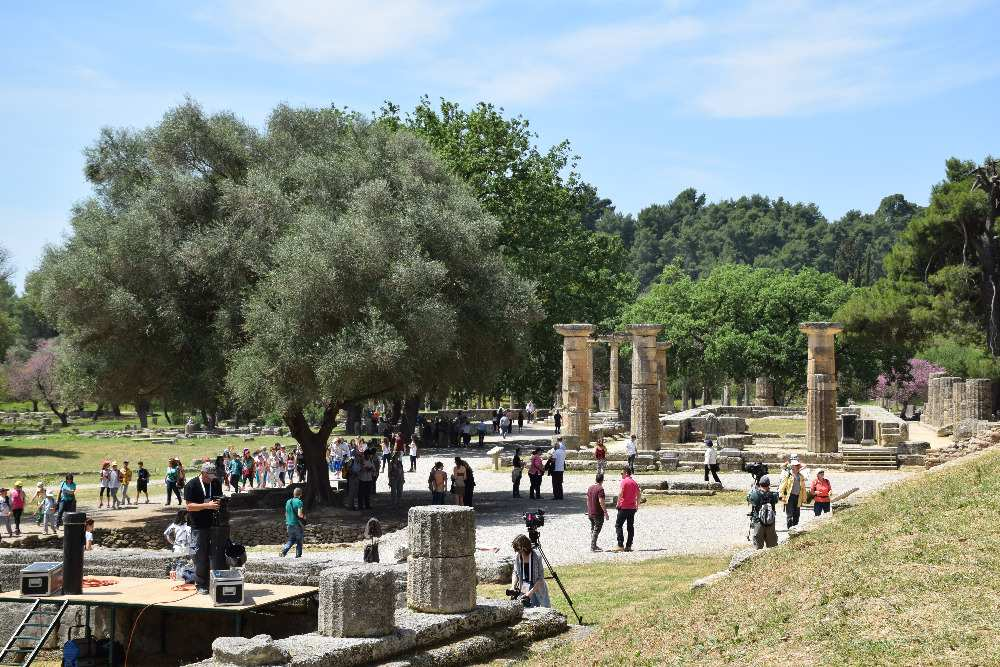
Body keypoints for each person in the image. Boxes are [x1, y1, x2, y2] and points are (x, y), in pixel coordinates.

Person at [183, 462, 224, 594]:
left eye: (213, 475)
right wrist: (207, 506)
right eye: (210, 475)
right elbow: (189, 507)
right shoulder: (192, 485)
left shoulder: (216, 483)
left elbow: (218, 498)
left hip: (215, 525)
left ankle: (215, 581)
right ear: (203, 473)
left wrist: (220, 503)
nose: (212, 478)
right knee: (200, 556)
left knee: (217, 554)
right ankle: (201, 584)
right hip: (198, 526)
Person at [510, 534, 551, 608]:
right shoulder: (518, 556)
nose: (517, 552)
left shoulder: (536, 556)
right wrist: (513, 587)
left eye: (519, 549)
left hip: (538, 587)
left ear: (525, 547)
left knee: (545, 609)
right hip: (525, 586)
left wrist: (530, 593)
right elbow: (515, 573)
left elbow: (540, 578)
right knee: (526, 609)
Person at [612, 468, 641, 552]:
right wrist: (637, 505)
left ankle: (620, 544)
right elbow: (639, 494)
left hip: (624, 507)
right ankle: (629, 545)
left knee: (618, 525)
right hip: (632, 508)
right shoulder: (634, 482)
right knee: (630, 527)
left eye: (622, 473)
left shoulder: (624, 481)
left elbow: (620, 493)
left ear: (626, 473)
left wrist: (618, 503)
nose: (621, 475)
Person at [747, 475, 779, 549]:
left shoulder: (755, 494)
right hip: (770, 522)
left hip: (758, 522)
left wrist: (753, 489)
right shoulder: (773, 495)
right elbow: (777, 499)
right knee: (772, 547)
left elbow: (748, 498)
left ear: (760, 484)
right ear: (769, 485)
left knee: (758, 547)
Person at [779, 457, 808, 529]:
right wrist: (781, 496)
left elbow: (803, 489)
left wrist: (804, 498)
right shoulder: (788, 475)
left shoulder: (801, 476)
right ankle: (789, 529)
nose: (798, 467)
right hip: (790, 497)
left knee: (797, 514)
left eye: (798, 466)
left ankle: (795, 529)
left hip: (798, 497)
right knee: (789, 514)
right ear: (792, 467)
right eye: (796, 466)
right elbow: (782, 486)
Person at [163, 509, 194, 574]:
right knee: (177, 562)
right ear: (183, 516)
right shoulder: (175, 525)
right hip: (178, 546)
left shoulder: (188, 524)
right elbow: (166, 533)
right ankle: (177, 575)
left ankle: (185, 576)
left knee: (187, 563)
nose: (188, 517)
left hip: (187, 546)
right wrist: (172, 542)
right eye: (186, 515)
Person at [586, 473, 610, 552]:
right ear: (602, 480)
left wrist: (589, 509)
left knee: (593, 528)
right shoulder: (600, 489)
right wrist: (605, 512)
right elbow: (601, 501)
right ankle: (593, 546)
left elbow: (587, 500)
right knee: (597, 529)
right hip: (597, 513)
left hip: (590, 512)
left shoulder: (590, 488)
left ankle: (594, 545)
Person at [281, 487, 306, 558]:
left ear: (294, 493)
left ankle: (284, 550)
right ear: (300, 494)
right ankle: (298, 555)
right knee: (299, 540)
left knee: (291, 539)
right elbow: (299, 514)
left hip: (289, 524)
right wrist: (304, 517)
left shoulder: (288, 501)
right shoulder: (299, 502)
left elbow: (286, 513)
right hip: (296, 524)